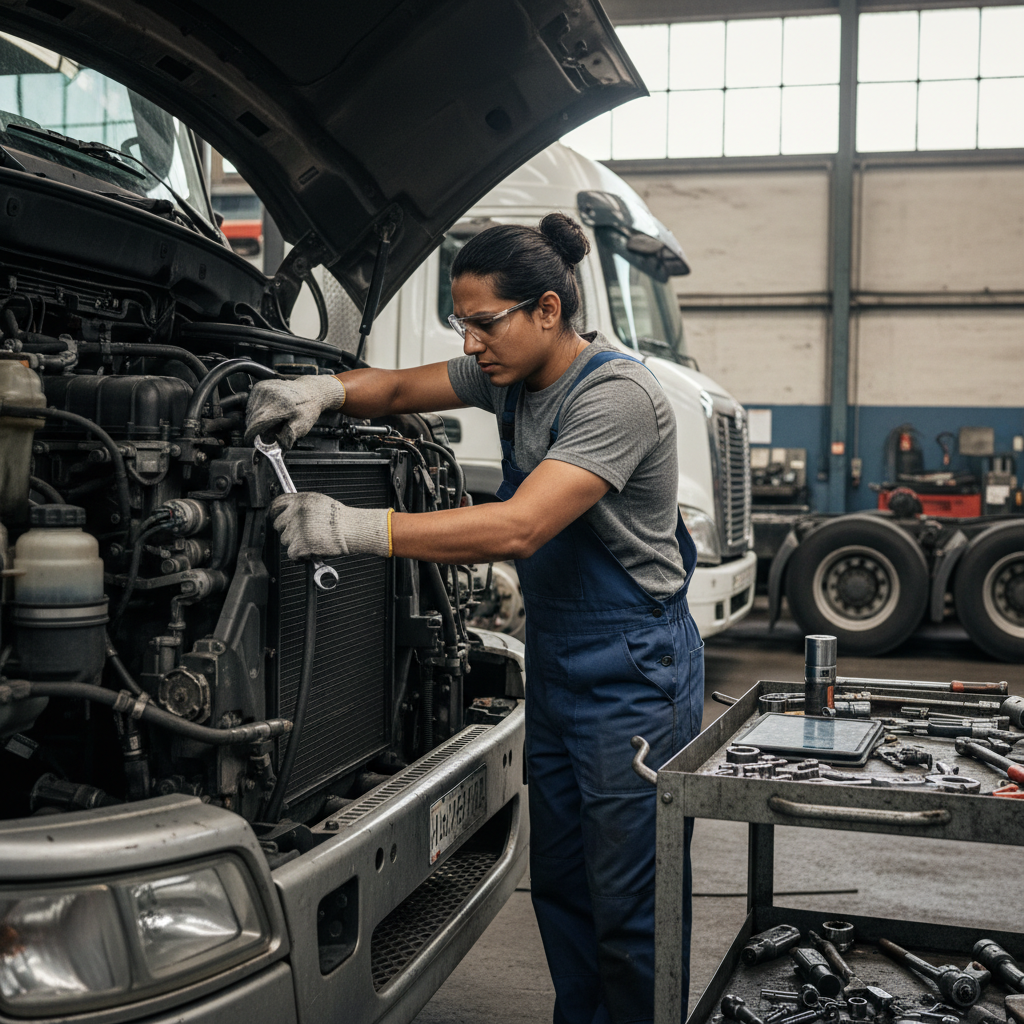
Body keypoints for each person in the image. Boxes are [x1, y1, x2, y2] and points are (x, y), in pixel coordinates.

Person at [244, 213, 704, 1024]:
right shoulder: (506, 376)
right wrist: (320, 389)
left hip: (634, 670)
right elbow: (390, 389)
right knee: (562, 884)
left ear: (548, 312)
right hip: (560, 661)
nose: (471, 342)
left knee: (632, 902)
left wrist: (357, 530)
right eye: (463, 324)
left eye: (484, 323)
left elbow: (518, 527)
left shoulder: (618, 396)